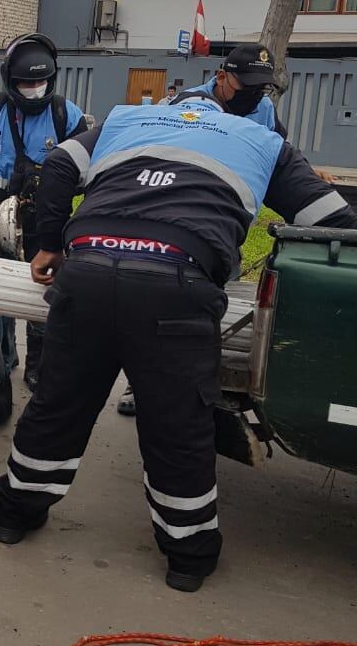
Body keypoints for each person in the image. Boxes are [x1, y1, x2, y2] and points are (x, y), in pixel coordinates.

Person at [0, 89, 357, 592]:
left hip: (88, 270)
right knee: (177, 425)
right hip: (176, 282)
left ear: (168, 109)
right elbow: (334, 223)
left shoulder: (124, 121)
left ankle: (13, 516)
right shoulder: (260, 139)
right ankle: (188, 559)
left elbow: (55, 166)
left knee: (58, 404)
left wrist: (49, 243)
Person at [116, 42, 327, 416]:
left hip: (224, 217)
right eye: (244, 86)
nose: (253, 95)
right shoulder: (187, 106)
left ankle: (199, 382)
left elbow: (281, 151)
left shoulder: (262, 108)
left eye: (260, 88)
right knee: (161, 308)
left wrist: (307, 177)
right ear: (221, 77)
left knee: (211, 302)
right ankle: (139, 384)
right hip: (179, 213)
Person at [0, 33, 86, 389]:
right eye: (27, 82)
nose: (34, 89)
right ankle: (1, 356)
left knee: (40, 297)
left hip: (46, 224)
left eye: (41, 81)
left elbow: (86, 172)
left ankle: (37, 367)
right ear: (10, 80)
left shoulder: (66, 115)